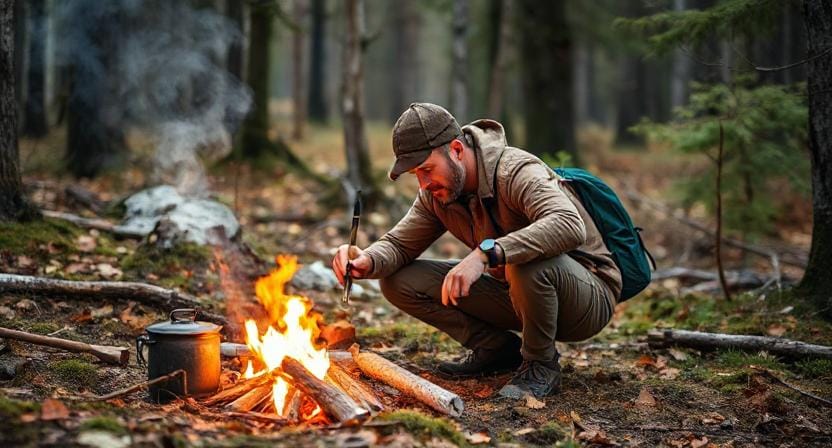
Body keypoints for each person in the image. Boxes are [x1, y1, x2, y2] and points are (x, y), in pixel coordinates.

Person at [331, 103, 621, 399]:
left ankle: (540, 364)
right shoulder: (438, 193)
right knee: (397, 280)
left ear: (456, 150)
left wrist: (486, 253)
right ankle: (497, 349)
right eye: (416, 174)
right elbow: (399, 244)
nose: (424, 183)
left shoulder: (515, 171)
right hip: (518, 293)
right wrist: (367, 259)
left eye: (427, 170)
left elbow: (568, 224)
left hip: (586, 296)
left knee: (523, 262)